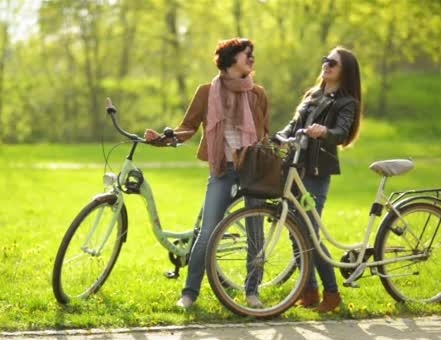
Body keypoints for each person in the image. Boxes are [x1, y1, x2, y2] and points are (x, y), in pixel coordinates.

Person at [144, 38, 270, 309]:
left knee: (256, 232)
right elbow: (187, 128)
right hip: (222, 171)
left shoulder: (257, 93)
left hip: (253, 172)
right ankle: (189, 294)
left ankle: (252, 291)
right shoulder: (206, 92)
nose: (251, 57)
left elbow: (265, 134)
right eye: (245, 53)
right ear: (229, 59)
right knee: (207, 231)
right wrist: (161, 139)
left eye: (252, 53)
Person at [275, 46, 362, 313]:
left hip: (317, 173)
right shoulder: (311, 95)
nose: (326, 65)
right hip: (296, 169)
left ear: (344, 71)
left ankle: (332, 293)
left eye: (332, 63)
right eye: (325, 60)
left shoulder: (347, 102)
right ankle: (308, 290)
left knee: (310, 234)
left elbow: (341, 133)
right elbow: (293, 125)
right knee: (295, 232)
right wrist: (278, 136)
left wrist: (325, 131)